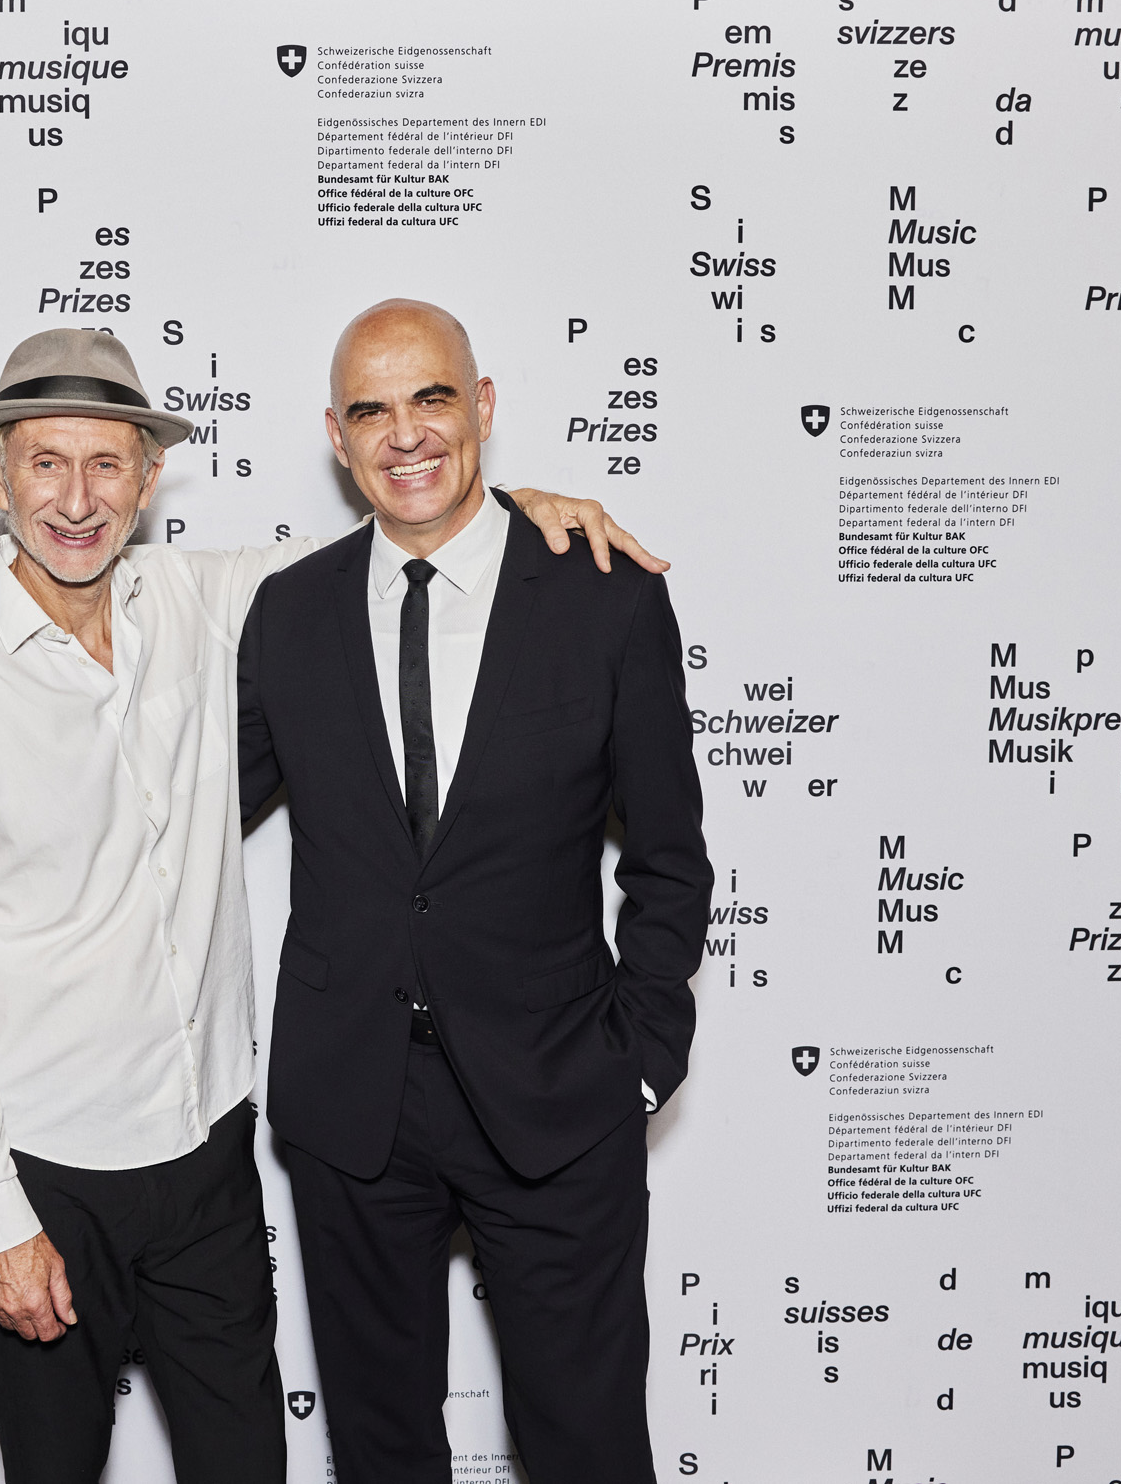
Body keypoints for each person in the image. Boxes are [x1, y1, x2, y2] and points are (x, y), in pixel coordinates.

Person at [0, 327, 663, 1484]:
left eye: (106, 463)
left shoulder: (202, 599)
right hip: (49, 1167)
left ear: (150, 477)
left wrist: (520, 506)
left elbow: (414, 527)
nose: (76, 498)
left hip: (209, 1148)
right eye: (44, 462)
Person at [238, 299, 712, 1483]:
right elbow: (183, 800)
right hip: (352, 1105)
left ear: (483, 405)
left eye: (432, 397)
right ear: (336, 438)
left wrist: (640, 1055)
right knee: (381, 1452)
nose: (404, 433)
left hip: (555, 1091)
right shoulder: (287, 610)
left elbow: (668, 854)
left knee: (588, 1446)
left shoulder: (602, 594)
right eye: (371, 409)